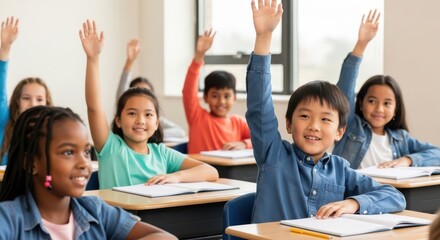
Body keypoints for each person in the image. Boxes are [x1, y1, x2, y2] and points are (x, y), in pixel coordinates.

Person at [246, 0, 405, 223]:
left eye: (325, 119)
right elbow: (258, 107)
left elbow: (395, 197)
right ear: (289, 124)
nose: (314, 125)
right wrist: (263, 38)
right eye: (304, 116)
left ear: (340, 131)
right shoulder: (274, 155)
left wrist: (354, 203)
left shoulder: (340, 169)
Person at [0, 106, 177, 239]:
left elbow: (165, 237)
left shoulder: (95, 210)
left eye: (86, 152)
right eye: (68, 152)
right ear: (31, 163)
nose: (84, 163)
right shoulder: (8, 219)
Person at [80, 20, 218, 189]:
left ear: (157, 122)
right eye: (131, 113)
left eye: (148, 114)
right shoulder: (111, 148)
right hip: (121, 215)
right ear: (118, 120)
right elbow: (94, 107)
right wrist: (93, 59)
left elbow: (211, 172)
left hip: (154, 216)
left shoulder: (162, 153)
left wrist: (177, 177)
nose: (140, 120)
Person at [333, 10, 440, 169]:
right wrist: (361, 44)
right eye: (372, 101)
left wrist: (408, 160)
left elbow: (436, 154)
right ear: (361, 104)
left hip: (388, 192)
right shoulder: (351, 127)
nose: (379, 109)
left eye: (387, 103)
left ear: (396, 109)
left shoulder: (401, 138)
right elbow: (345, 88)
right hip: (356, 192)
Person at [182, 29, 252, 154]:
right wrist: (199, 55)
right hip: (200, 172)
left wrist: (244, 143)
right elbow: (188, 90)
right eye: (215, 95)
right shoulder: (197, 117)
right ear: (205, 97)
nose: (221, 101)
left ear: (234, 98)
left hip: (228, 173)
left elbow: (261, 140)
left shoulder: (239, 123)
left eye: (227, 96)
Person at [0, 17, 53, 165]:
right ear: (17, 101)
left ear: (47, 103)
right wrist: (5, 48)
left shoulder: (52, 130)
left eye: (39, 99)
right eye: (26, 98)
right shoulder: (5, 122)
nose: (32, 104)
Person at [116, 38, 186, 140]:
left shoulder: (153, 119)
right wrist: (129, 62)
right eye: (137, 92)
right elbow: (121, 96)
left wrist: (150, 131)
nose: (141, 121)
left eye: (147, 94)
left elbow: (180, 132)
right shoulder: (125, 117)